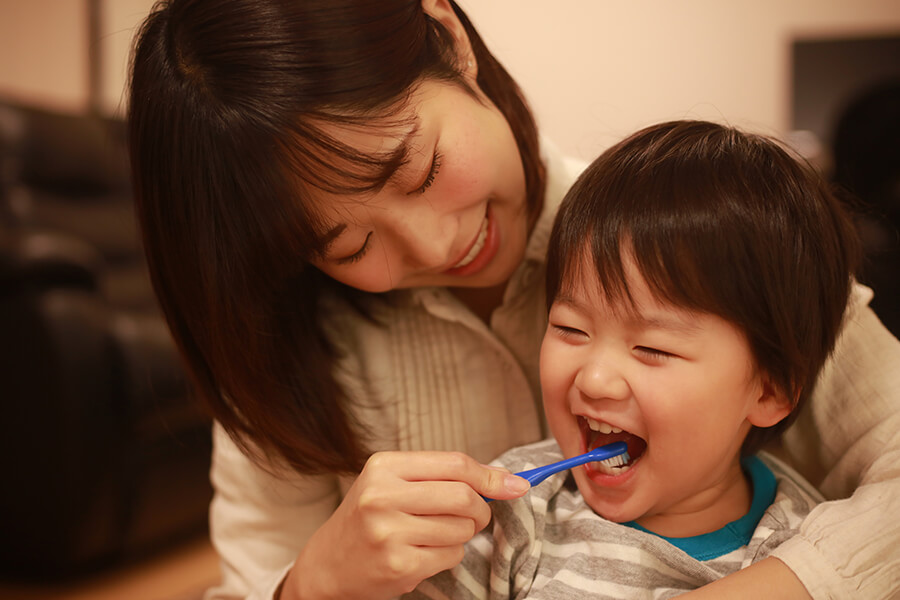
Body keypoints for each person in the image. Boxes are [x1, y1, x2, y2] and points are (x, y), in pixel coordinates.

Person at [126, 1, 900, 599]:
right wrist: (315, 582)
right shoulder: (281, 341)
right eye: (348, 247)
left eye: (419, 168)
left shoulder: (712, 238)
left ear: (451, 37)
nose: (434, 248)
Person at [407, 119, 858, 598]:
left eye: (653, 348)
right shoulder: (514, 507)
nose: (595, 378)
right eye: (570, 329)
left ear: (770, 389)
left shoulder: (806, 554)